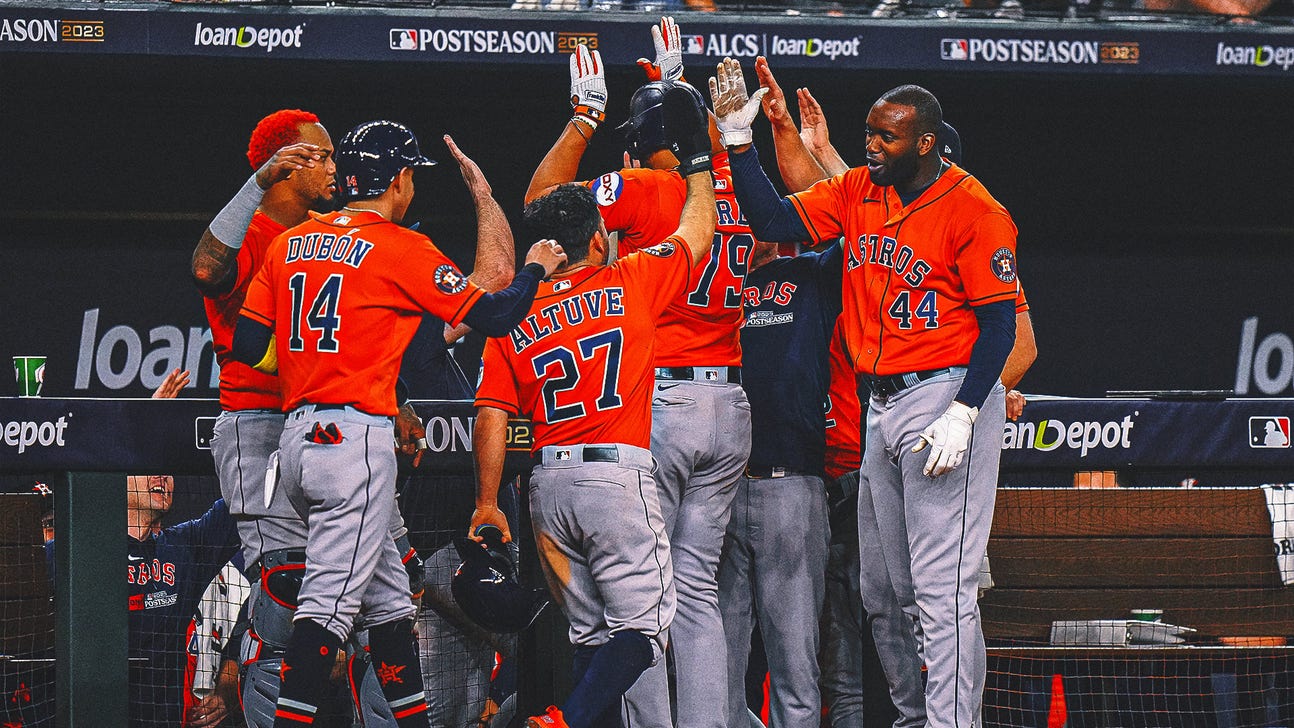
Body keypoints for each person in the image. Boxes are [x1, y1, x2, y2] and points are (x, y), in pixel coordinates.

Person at [230, 119, 565, 728]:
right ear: (399, 180)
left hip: (297, 442)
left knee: (389, 606)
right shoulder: (399, 246)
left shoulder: (290, 242)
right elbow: (495, 315)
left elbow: (248, 343)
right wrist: (536, 269)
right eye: (412, 175)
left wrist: (314, 364)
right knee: (325, 613)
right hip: (352, 445)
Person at [716, 59, 1018, 728]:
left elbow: (1001, 326)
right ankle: (915, 718)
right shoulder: (858, 192)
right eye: (869, 133)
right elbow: (772, 218)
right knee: (883, 591)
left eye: (887, 136)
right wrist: (739, 143)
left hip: (945, 393)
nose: (871, 146)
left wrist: (965, 411)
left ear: (926, 142)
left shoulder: (975, 209)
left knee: (943, 592)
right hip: (880, 403)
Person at [524, 23, 753, 726]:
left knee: (635, 605)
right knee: (696, 589)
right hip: (730, 401)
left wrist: (584, 118)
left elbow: (545, 206)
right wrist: (682, 100)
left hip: (658, 405)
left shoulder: (646, 186)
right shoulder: (737, 186)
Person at [471, 80, 717, 728]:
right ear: (598, 241)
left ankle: (573, 718)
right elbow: (698, 228)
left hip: (547, 489)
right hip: (616, 482)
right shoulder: (631, 279)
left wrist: (488, 500)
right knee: (645, 630)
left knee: (591, 636)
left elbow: (490, 412)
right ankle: (565, 722)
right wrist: (698, 156)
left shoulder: (513, 314)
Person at [718, 227, 841, 727]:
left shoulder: (810, 273)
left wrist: (804, 168)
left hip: (792, 481)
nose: (751, 230)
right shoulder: (709, 283)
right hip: (718, 488)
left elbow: (862, 225)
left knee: (795, 665)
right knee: (718, 668)